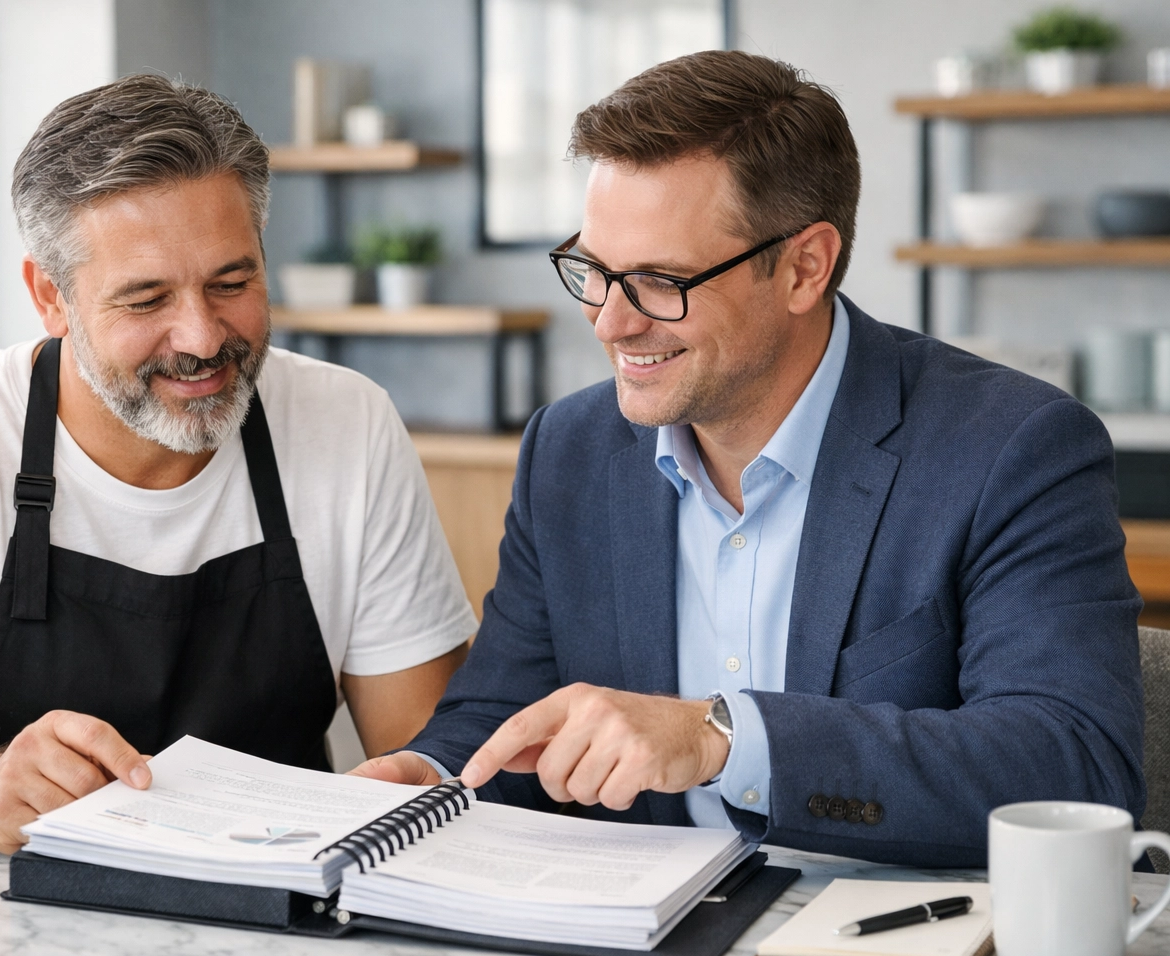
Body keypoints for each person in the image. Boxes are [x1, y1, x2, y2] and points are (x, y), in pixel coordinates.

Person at [354, 50, 1145, 867]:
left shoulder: (1012, 446)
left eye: (661, 281)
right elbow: (503, 713)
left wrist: (727, 738)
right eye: (595, 271)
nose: (609, 324)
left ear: (806, 267)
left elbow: (1077, 766)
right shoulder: (569, 450)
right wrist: (436, 776)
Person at [0, 74, 478, 854]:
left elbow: (428, 749)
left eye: (232, 282)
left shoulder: (347, 423)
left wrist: (421, 785)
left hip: (274, 931)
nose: (202, 338)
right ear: (50, 297)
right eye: (146, 300)